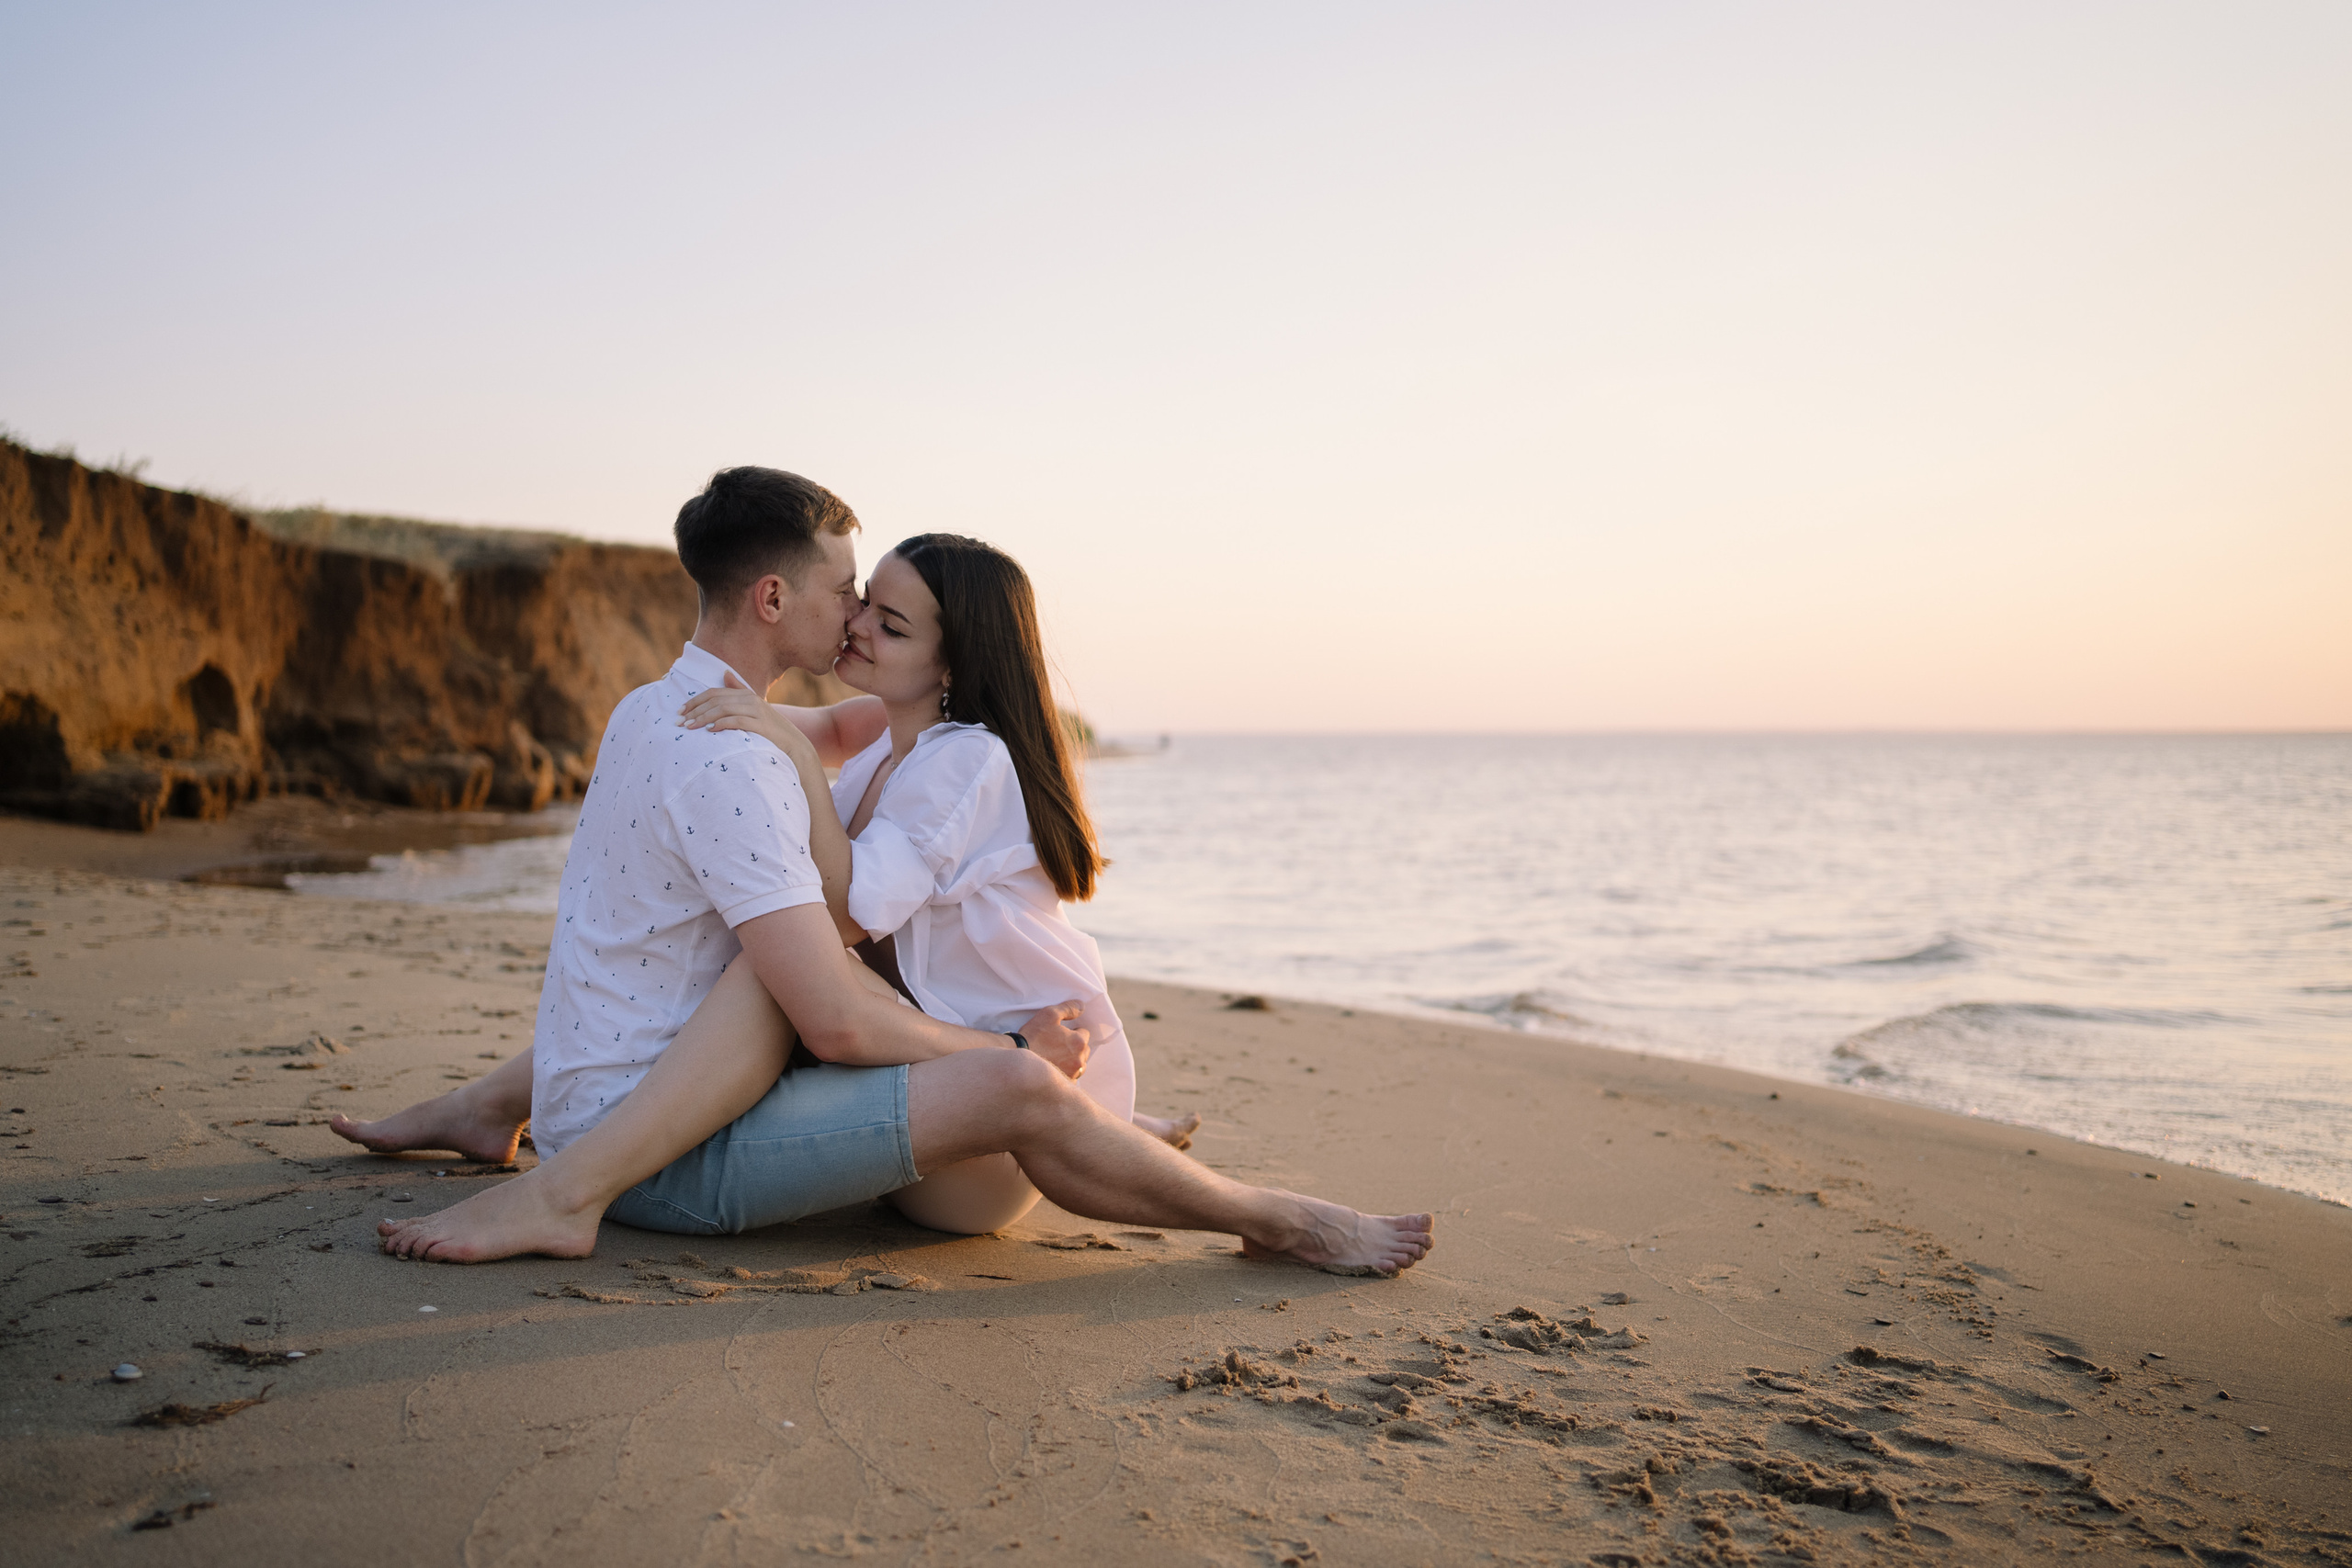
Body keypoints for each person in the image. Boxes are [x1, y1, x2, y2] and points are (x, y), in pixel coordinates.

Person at [355, 465, 1434, 1276]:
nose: (857, 614)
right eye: (847, 592)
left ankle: (491, 1106)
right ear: (776, 601)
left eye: (882, 608)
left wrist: (811, 730)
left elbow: (891, 740)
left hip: (623, 1098)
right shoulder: (745, 756)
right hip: (664, 1154)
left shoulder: (654, 709)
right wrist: (1009, 1048)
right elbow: (833, 1014)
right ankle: (1269, 1212)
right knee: (807, 969)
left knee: (787, 958)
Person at [673, 532, 1198, 1232]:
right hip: (949, 1085)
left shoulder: (963, 762)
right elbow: (821, 724)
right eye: (863, 604)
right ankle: (1119, 1121)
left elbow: (847, 911)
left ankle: (1110, 1124)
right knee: (763, 953)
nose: (857, 626)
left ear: (950, 663)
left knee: (782, 957)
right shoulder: (887, 744)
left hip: (983, 1155)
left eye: (890, 626)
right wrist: (677, 705)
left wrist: (794, 754)